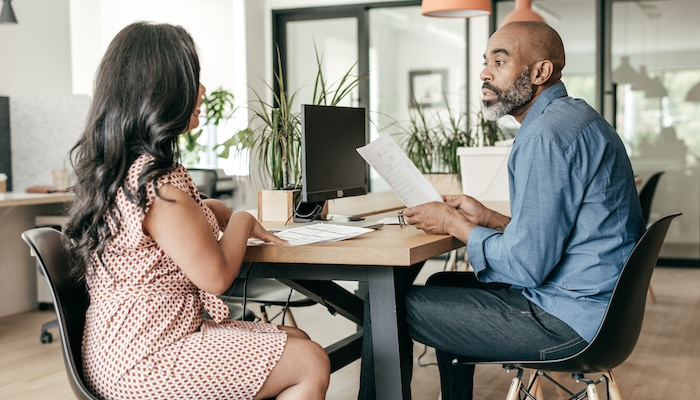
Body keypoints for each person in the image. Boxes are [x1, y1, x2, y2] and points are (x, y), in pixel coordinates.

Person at [358, 21, 645, 399]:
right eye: (485, 61)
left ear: (540, 72)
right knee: (442, 284)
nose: (484, 73)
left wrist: (454, 224)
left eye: (500, 61)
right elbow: (560, 234)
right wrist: (488, 219)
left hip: (567, 323)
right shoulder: (577, 118)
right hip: (604, 316)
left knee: (385, 308)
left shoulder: (544, 136)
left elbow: (528, 264)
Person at [63, 22, 330, 400]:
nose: (202, 90)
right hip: (144, 361)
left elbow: (192, 217)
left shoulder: (131, 171)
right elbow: (216, 276)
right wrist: (241, 218)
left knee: (295, 338)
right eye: (194, 78)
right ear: (162, 91)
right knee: (310, 361)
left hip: (120, 348)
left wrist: (215, 211)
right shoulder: (156, 184)